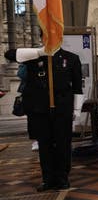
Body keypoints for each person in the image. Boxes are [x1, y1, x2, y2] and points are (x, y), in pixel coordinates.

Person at [4, 46, 82, 191]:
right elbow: (10, 54)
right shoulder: (33, 57)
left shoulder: (71, 58)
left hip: (62, 109)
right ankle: (48, 179)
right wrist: (39, 52)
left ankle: (62, 178)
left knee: (63, 144)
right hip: (40, 109)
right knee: (44, 145)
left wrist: (77, 109)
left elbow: (77, 86)